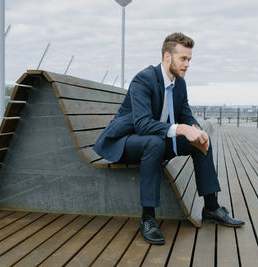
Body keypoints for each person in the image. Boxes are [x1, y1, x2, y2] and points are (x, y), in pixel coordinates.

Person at [94, 32, 244, 245]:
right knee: (154, 142)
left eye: (189, 59)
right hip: (125, 142)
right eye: (183, 59)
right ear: (167, 57)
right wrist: (182, 129)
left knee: (200, 141)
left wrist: (197, 131)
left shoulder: (180, 83)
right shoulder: (144, 79)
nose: (187, 64)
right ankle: (148, 218)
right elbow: (143, 125)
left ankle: (211, 207)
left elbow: (186, 114)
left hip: (152, 141)